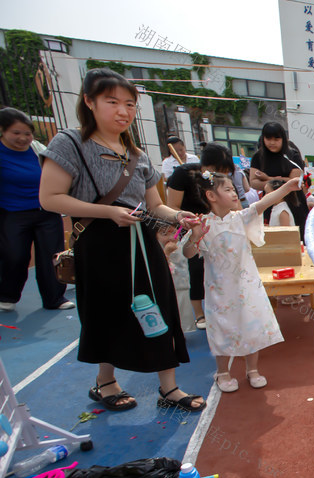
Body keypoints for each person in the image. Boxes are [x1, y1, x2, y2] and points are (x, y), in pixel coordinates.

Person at [39, 68, 204, 412]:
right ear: (89, 101)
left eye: (129, 104)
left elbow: (155, 205)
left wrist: (180, 217)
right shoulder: (69, 143)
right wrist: (108, 213)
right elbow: (50, 198)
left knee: (158, 308)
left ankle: (169, 387)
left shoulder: (137, 154)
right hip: (98, 243)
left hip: (141, 243)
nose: (123, 111)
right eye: (112, 102)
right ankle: (105, 382)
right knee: (107, 312)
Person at [183, 172, 291, 392]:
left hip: (246, 286)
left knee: (250, 324)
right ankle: (222, 372)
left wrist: (288, 186)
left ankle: (253, 369)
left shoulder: (240, 217)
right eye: (229, 189)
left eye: (234, 189)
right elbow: (187, 253)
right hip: (219, 290)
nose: (235, 193)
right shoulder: (202, 223)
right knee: (221, 328)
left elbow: (265, 202)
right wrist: (195, 235)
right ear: (211, 196)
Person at [0, 107, 73, 312]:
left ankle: (54, 298)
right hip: (13, 213)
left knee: (52, 255)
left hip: (46, 211)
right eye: (16, 133)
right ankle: (7, 294)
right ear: (3, 131)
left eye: (27, 133)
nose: (23, 138)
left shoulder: (36, 149)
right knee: (15, 255)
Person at [165, 142, 236, 330]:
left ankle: (223, 309)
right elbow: (171, 206)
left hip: (215, 227)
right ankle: (199, 314)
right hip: (189, 227)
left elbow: (233, 205)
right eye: (216, 170)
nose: (220, 175)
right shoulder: (183, 174)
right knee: (194, 268)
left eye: (225, 172)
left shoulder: (222, 180)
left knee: (220, 266)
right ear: (205, 165)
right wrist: (190, 219)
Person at [248, 122, 309, 241]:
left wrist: (268, 179)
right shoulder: (258, 157)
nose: (272, 142)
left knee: (298, 237)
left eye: (276, 139)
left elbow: (295, 182)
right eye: (268, 138)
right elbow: (253, 182)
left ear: (283, 139)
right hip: (271, 202)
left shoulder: (292, 155)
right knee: (274, 238)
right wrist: (280, 181)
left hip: (294, 201)